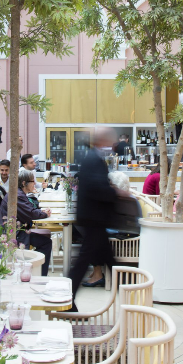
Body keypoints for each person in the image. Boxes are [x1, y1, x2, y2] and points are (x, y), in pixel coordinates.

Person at [68, 127, 130, 311]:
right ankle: (65, 300)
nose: (112, 144)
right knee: (85, 262)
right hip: (94, 219)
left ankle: (132, 297)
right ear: (102, 141)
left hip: (93, 219)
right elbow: (98, 189)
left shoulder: (91, 158)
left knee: (107, 261)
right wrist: (116, 192)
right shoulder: (94, 160)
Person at [0, 169, 52, 276]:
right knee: (46, 243)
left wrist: (41, 212)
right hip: (14, 234)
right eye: (32, 181)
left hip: (17, 231)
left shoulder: (19, 193)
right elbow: (31, 214)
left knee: (45, 242)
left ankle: (38, 271)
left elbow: (29, 210)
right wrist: (45, 214)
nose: (35, 183)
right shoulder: (18, 195)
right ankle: (40, 274)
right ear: (24, 183)